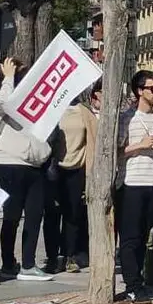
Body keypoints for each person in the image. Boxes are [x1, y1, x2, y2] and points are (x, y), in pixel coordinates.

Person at [0, 57, 54, 282]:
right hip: (11, 162)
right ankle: (8, 263)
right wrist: (9, 77)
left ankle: (28, 264)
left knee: (35, 214)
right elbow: (6, 102)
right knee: (12, 215)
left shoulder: (33, 100)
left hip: (35, 163)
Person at [117, 70, 153, 304]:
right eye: (152, 88)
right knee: (130, 237)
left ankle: (140, 280)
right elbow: (116, 151)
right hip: (132, 183)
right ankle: (132, 285)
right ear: (139, 91)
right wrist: (138, 145)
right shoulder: (126, 118)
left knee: (144, 237)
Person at [44, 82, 98, 274]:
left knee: (73, 214)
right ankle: (52, 257)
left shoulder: (84, 112)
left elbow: (93, 137)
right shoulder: (51, 109)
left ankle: (70, 255)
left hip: (77, 169)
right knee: (52, 215)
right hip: (54, 168)